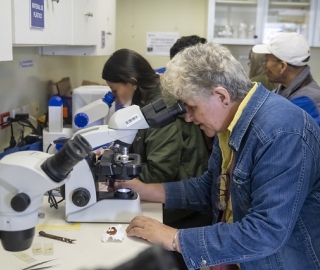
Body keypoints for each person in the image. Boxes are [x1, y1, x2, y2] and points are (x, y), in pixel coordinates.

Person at [115, 42, 320, 270]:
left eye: (191, 107)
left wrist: (175, 238)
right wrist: (144, 189)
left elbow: (266, 232)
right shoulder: (229, 125)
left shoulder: (281, 132)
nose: (188, 118)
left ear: (221, 96)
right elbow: (210, 189)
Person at [102, 49, 212, 269]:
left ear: (132, 82)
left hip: (183, 212)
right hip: (172, 201)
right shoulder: (146, 104)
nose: (113, 97)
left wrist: (116, 176)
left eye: (114, 90)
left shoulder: (162, 109)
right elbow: (142, 144)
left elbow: (159, 171)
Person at [252, 32, 320, 119]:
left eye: (267, 60)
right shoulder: (286, 87)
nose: (264, 65)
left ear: (282, 66)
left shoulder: (304, 102)